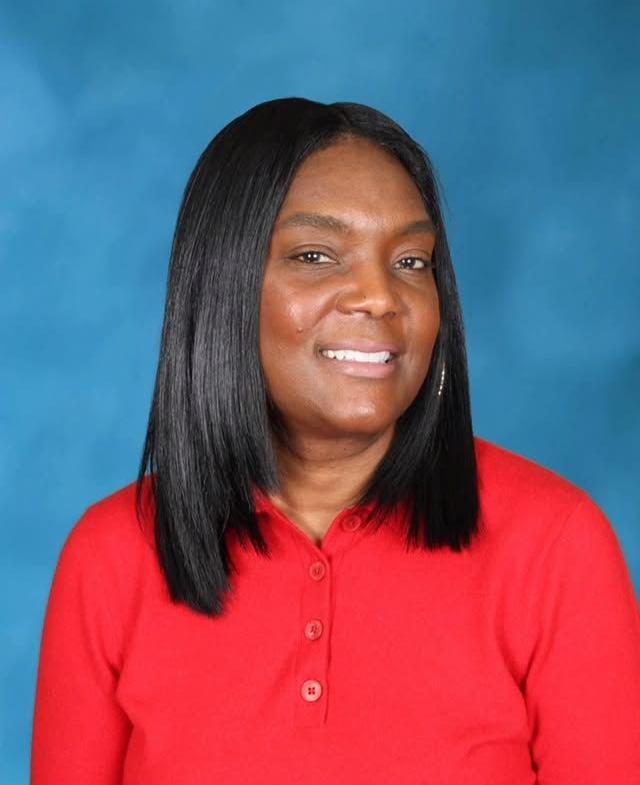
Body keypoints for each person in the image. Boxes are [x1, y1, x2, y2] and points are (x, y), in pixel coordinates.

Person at [30, 97, 640, 785]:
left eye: (412, 261)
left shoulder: (555, 544)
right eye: (316, 255)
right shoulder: (111, 556)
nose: (380, 296)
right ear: (225, 286)